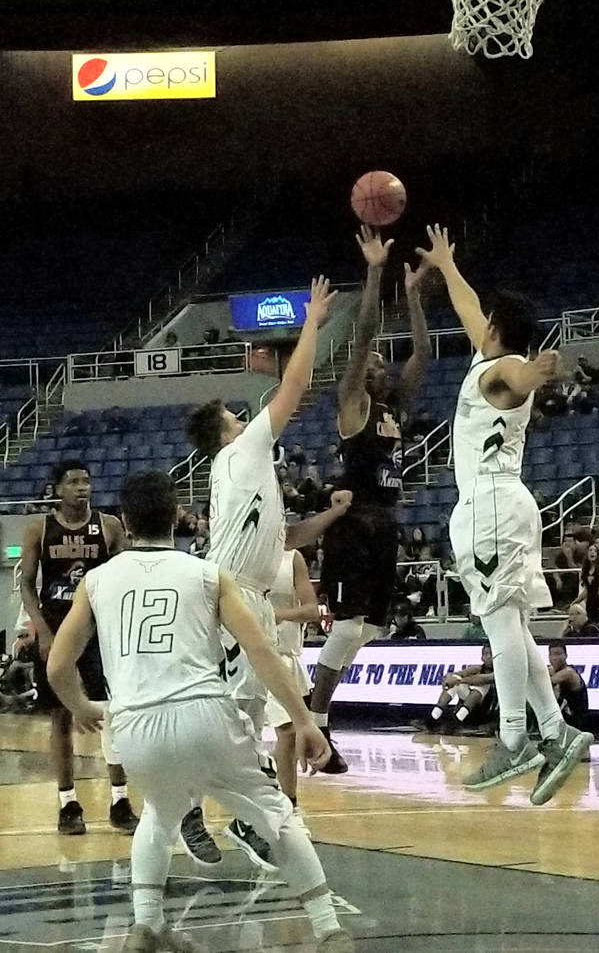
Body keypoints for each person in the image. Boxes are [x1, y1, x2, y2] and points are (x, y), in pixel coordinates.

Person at [45, 472, 354, 953]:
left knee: (160, 813)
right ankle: (328, 928)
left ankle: (146, 926)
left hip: (134, 726)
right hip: (203, 713)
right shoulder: (207, 573)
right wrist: (307, 718)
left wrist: (81, 706)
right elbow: (260, 650)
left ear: (124, 523)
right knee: (277, 815)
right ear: (176, 517)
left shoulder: (97, 581)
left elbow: (58, 664)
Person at [419, 223, 593, 805]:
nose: (479, 320)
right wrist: (445, 265)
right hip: (501, 503)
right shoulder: (485, 356)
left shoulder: (502, 371)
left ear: (498, 328)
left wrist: (540, 371)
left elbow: (518, 377)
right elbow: (470, 309)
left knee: (502, 628)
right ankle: (555, 730)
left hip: (491, 506)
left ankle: (514, 738)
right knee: (516, 627)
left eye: (487, 318)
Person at [184, 276, 347, 868]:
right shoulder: (241, 451)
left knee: (246, 714)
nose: (242, 415)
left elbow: (285, 542)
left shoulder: (244, 476)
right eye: (234, 414)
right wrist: (312, 322)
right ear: (227, 430)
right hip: (229, 594)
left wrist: (328, 516)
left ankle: (247, 819)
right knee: (228, 713)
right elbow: (296, 383)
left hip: (239, 591)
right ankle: (187, 809)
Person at [310, 228, 431, 774]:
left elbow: (424, 353)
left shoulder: (395, 409)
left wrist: (412, 294)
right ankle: (317, 720)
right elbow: (361, 339)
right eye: (374, 363)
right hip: (352, 526)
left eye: (385, 363)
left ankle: (318, 713)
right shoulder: (354, 404)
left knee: (371, 628)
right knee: (349, 624)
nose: (380, 365)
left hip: (385, 524)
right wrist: (376, 272)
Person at [19, 459, 138, 836]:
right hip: (55, 626)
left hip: (98, 628)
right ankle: (67, 802)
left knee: (111, 713)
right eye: (72, 481)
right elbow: (26, 583)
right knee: (60, 716)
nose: (82, 487)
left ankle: (120, 799)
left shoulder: (109, 526)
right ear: (57, 489)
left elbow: (124, 577)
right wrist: (41, 630)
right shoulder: (39, 529)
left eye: (86, 481)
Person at [266, 549, 332, 813]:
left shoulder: (291, 558)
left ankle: (288, 803)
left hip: (285, 655)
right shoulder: (238, 553)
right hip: (246, 652)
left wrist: (280, 615)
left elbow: (312, 610)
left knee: (289, 733)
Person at [424, 644, 496, 732]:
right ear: (482, 657)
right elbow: (456, 675)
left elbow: (482, 679)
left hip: (486, 709)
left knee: (480, 687)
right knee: (453, 683)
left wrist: (458, 680)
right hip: (471, 708)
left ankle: (456, 721)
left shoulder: (498, 672)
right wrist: (449, 678)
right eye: (485, 654)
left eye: (491, 654)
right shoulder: (477, 668)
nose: (489, 656)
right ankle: (434, 717)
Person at [547, 642, 590, 735]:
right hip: (564, 721)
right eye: (552, 654)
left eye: (559, 654)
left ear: (565, 656)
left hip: (576, 723)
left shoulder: (569, 673)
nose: (555, 658)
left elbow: (546, 683)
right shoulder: (555, 671)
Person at [571, 542, 599, 625]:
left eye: (595, 551)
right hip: (589, 602)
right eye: (590, 550)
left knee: (598, 624)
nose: (592, 552)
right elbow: (587, 590)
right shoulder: (585, 570)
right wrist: (576, 601)